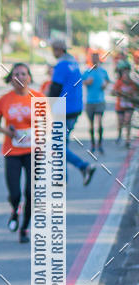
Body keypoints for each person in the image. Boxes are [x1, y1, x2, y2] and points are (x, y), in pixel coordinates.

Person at [0, 63, 40, 244]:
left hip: (34, 151)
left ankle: (25, 227)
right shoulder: (4, 100)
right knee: (15, 194)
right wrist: (6, 131)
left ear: (29, 77)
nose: (20, 77)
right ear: (11, 78)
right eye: (16, 74)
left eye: (24, 74)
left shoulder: (38, 97)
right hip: (11, 151)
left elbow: (49, 124)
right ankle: (14, 210)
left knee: (30, 192)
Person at [48, 39, 95, 185]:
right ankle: (62, 178)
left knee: (56, 145)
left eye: (54, 49)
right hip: (75, 107)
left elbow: (55, 88)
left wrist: (48, 108)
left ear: (58, 50)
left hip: (63, 109)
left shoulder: (61, 65)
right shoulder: (74, 63)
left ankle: (83, 166)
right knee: (62, 143)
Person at [82, 53, 109, 153]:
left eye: (96, 59)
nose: (95, 61)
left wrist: (105, 84)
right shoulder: (87, 71)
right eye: (93, 59)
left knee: (100, 123)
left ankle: (100, 144)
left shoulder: (103, 71)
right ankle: (93, 144)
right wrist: (86, 82)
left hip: (100, 101)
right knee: (91, 124)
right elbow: (81, 81)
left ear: (98, 60)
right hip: (90, 101)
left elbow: (107, 80)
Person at [112, 66, 138, 147]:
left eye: (128, 73)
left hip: (129, 106)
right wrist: (118, 93)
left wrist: (132, 96)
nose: (126, 75)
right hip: (120, 106)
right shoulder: (119, 83)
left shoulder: (133, 83)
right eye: (124, 73)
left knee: (127, 121)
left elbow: (136, 95)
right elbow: (113, 93)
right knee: (120, 122)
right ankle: (119, 135)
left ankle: (127, 139)